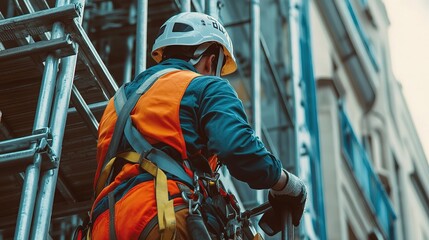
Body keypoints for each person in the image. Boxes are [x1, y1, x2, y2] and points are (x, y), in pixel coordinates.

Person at [89, 12, 307, 240]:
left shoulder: (117, 103)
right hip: (163, 217)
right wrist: (285, 183)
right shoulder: (205, 87)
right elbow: (238, 147)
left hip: (105, 225)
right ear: (210, 60)